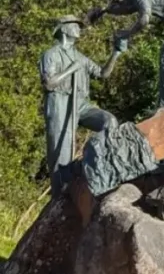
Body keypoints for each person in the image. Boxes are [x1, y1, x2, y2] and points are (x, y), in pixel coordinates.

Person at [39, 17, 123, 193]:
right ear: (63, 29)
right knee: (61, 153)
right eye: (74, 25)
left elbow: (102, 73)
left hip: (81, 103)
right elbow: (49, 84)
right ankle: (60, 194)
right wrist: (71, 69)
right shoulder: (51, 54)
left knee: (109, 122)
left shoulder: (80, 57)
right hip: (60, 102)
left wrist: (116, 53)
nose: (78, 28)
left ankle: (101, 168)